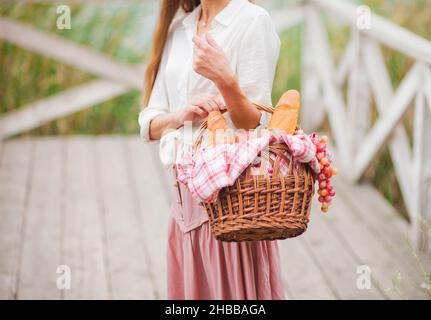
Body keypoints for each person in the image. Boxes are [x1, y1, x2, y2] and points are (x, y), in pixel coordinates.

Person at [139, 0, 284, 299]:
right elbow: (150, 123)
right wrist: (181, 115)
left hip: (231, 206)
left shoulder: (252, 21)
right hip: (182, 208)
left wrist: (224, 78)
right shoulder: (180, 29)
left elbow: (257, 126)